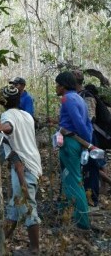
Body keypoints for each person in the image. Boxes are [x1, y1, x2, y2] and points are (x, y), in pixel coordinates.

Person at [0, 85, 41, 254]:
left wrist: (1, 127)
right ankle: (3, 240)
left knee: (27, 205)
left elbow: (9, 126)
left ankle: (35, 248)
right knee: (15, 203)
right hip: (34, 162)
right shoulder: (27, 115)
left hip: (23, 166)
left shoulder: (7, 115)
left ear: (2, 102)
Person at [55, 71, 92, 229]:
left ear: (63, 86)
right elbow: (87, 123)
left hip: (71, 143)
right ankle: (68, 214)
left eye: (57, 85)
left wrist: (84, 141)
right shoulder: (78, 98)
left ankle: (82, 222)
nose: (56, 88)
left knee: (74, 181)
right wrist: (86, 141)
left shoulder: (67, 98)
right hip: (74, 142)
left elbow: (79, 123)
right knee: (69, 178)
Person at [73, 70, 104, 209]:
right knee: (83, 168)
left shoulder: (87, 96)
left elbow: (90, 118)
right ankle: (84, 198)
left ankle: (93, 200)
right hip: (80, 138)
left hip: (89, 138)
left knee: (92, 169)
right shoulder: (76, 95)